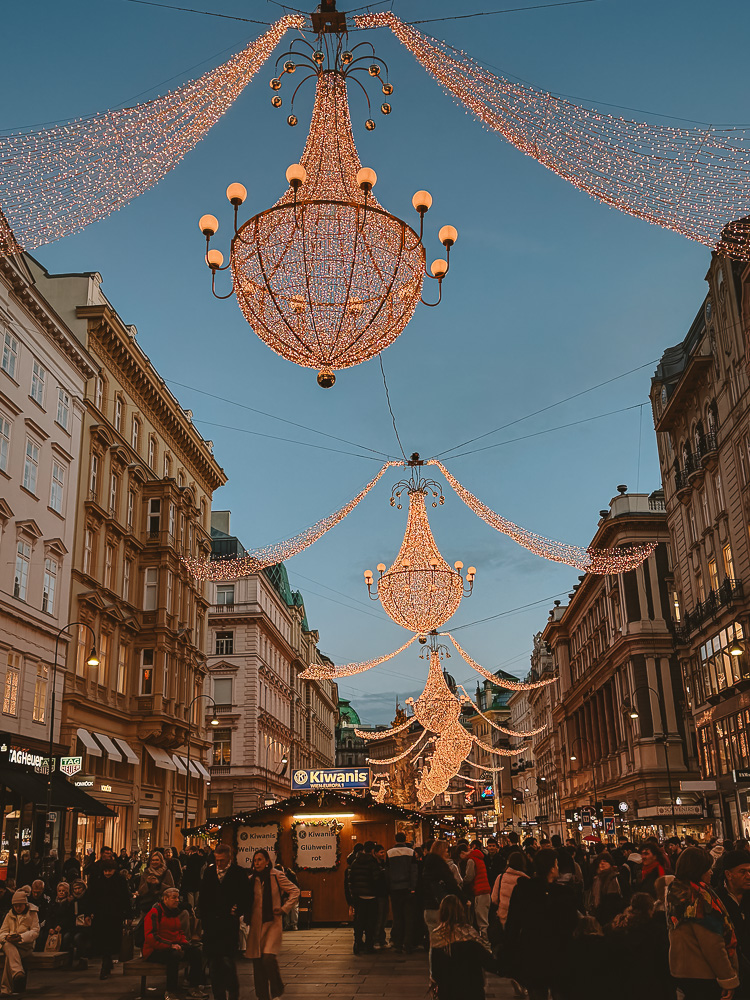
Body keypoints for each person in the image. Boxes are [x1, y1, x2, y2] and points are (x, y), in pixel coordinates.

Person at [667, 845, 739, 999]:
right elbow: (713, 945)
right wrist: (728, 979)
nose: (711, 872)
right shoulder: (699, 899)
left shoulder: (677, 892)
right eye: (708, 869)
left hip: (683, 971)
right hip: (704, 974)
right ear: (697, 871)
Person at [505, 850, 578, 1000]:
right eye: (556, 864)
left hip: (533, 952)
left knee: (537, 993)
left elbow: (513, 923)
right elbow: (572, 923)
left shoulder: (523, 890)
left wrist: (510, 951)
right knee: (560, 993)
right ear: (552, 869)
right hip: (559, 954)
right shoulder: (564, 894)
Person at [244, 848, 299, 1000]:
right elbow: (246, 900)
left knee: (268, 958)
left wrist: (284, 908)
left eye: (260, 859)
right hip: (256, 925)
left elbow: (295, 891)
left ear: (268, 861)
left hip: (272, 922)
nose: (257, 863)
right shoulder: (251, 879)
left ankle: (277, 989)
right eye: (255, 860)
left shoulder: (276, 875)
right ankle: (262, 996)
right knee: (257, 961)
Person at [198, 842, 249, 1000]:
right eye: (217, 860)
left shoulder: (238, 873)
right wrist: (203, 919)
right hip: (212, 925)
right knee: (214, 964)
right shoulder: (210, 872)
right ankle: (219, 995)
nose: (219, 864)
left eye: (222, 860)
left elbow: (246, 896)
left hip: (228, 924)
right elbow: (204, 897)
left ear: (229, 858)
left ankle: (233, 992)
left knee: (227, 961)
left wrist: (238, 909)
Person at [430, 894, 498, 1000]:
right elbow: (489, 963)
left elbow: (435, 972)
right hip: (472, 991)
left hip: (448, 993)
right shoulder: (470, 935)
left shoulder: (437, 937)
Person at [608, 892, 675, 1000]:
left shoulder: (622, 928)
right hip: (654, 982)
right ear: (650, 909)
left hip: (630, 983)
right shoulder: (656, 931)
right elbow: (663, 960)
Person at [143, 886, 204, 1000]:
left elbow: (179, 932)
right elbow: (151, 937)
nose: (177, 900)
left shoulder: (174, 913)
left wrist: (185, 943)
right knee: (173, 955)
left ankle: (193, 987)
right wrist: (170, 945)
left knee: (196, 951)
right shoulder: (155, 912)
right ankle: (170, 991)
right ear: (165, 899)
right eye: (174, 898)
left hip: (171, 946)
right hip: (154, 951)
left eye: (177, 898)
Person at [87, 856, 132, 979]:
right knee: (103, 939)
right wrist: (88, 913)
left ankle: (107, 962)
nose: (107, 873)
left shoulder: (120, 881)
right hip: (100, 915)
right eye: (105, 871)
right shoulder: (97, 880)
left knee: (111, 940)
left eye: (109, 871)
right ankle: (106, 963)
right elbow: (91, 897)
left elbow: (125, 898)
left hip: (115, 915)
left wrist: (128, 914)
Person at [715, 850, 750, 997]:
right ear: (729, 875)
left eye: (749, 871)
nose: (748, 876)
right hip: (734, 971)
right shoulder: (717, 900)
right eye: (742, 872)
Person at [0, 889, 39, 995]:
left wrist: (21, 937)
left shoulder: (32, 913)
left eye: (20, 905)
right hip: (10, 944)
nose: (17, 908)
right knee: (8, 945)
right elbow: (2, 932)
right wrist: (7, 937)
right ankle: (18, 972)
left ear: (25, 904)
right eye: (15, 905)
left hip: (25, 946)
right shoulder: (9, 915)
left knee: (10, 958)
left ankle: (5, 988)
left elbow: (35, 931)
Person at [345, 841, 382, 955]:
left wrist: (354, 895)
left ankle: (357, 943)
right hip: (371, 896)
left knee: (359, 921)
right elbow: (377, 880)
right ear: (372, 851)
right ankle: (369, 945)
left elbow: (350, 881)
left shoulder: (355, 863)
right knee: (371, 921)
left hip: (359, 897)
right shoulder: (373, 863)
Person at [422, 841, 461, 940]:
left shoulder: (426, 866)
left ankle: (433, 955)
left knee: (433, 938)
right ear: (442, 851)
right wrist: (463, 899)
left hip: (428, 906)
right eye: (447, 851)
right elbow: (451, 884)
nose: (448, 854)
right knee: (444, 938)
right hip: (440, 906)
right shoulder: (441, 866)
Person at [387, 831, 418, 953]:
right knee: (408, 916)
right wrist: (413, 887)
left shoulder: (389, 853)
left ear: (395, 840)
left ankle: (398, 942)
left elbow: (387, 872)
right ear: (405, 839)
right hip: (407, 888)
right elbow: (414, 871)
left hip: (394, 888)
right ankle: (408, 942)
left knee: (397, 916)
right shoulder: (411, 852)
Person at [589, 853, 626, 927]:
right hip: (599, 917)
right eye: (600, 861)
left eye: (605, 861)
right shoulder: (597, 880)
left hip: (614, 917)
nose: (602, 863)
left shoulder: (617, 878)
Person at [468, 841, 492, 945]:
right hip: (486, 890)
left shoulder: (471, 860)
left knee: (481, 920)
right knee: (484, 919)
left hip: (479, 891)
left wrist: (462, 882)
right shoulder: (480, 858)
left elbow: (469, 877)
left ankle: (486, 945)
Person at [38, 882, 73, 953]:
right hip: (53, 927)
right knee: (42, 936)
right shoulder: (53, 903)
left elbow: (69, 917)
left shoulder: (69, 903)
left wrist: (60, 926)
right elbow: (48, 916)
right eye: (59, 891)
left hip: (64, 928)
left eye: (63, 891)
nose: (61, 893)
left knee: (66, 938)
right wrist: (50, 927)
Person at [66, 880, 92, 970]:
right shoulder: (73, 901)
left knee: (78, 938)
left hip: (86, 928)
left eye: (79, 888)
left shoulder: (88, 899)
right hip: (74, 927)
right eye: (75, 889)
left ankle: (83, 960)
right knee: (67, 937)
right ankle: (67, 961)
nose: (77, 891)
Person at [372, 844, 389, 949]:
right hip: (378, 894)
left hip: (384, 893)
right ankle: (376, 939)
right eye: (381, 852)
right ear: (375, 853)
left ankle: (381, 939)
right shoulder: (374, 865)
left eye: (384, 852)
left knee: (384, 917)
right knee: (379, 917)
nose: (383, 854)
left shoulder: (384, 864)